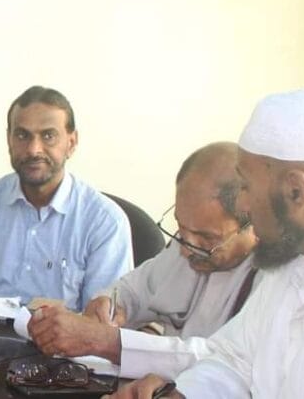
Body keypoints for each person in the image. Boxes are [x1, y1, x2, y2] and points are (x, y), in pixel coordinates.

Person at [112, 89, 304, 398]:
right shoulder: (295, 261)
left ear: (296, 191)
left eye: (246, 186)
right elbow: (234, 362)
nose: (242, 205)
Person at [24, 142, 259, 379]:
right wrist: (109, 304)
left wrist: (105, 341)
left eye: (207, 238)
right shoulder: (189, 244)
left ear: (255, 226)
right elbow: (132, 291)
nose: (186, 250)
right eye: (181, 227)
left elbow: (223, 362)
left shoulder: (271, 282)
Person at [0, 86, 132, 308]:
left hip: (63, 331)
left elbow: (101, 319)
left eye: (48, 136)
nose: (34, 150)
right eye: (22, 135)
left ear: (71, 143)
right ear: (9, 139)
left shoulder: (105, 221)